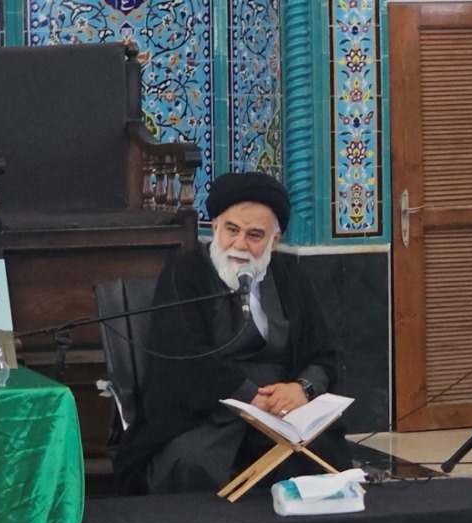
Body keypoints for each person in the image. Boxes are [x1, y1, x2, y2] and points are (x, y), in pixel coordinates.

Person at [114, 171, 352, 494]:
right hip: (210, 413)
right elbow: (181, 358)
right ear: (214, 227)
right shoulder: (185, 274)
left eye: (255, 235)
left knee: (321, 454)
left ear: (274, 241)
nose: (240, 245)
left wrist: (302, 388)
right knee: (194, 461)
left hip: (282, 413)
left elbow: (323, 354)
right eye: (232, 230)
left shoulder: (291, 279)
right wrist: (249, 397)